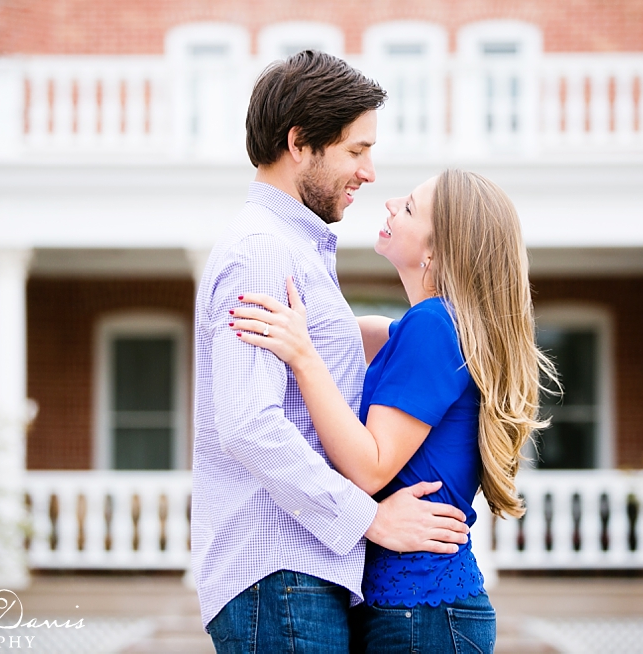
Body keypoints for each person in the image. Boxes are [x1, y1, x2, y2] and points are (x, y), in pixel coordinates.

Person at [191, 51, 472, 654]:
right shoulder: (264, 251)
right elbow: (247, 425)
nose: (370, 173)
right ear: (300, 143)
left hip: (300, 574)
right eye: (356, 150)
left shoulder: (294, 249)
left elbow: (368, 344)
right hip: (280, 571)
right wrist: (370, 519)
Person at [229, 169, 554, 653]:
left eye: (408, 208)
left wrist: (303, 356)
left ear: (435, 252)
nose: (389, 204)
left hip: (420, 613)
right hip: (419, 609)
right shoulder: (431, 327)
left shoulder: (432, 324)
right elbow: (348, 331)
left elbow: (369, 466)